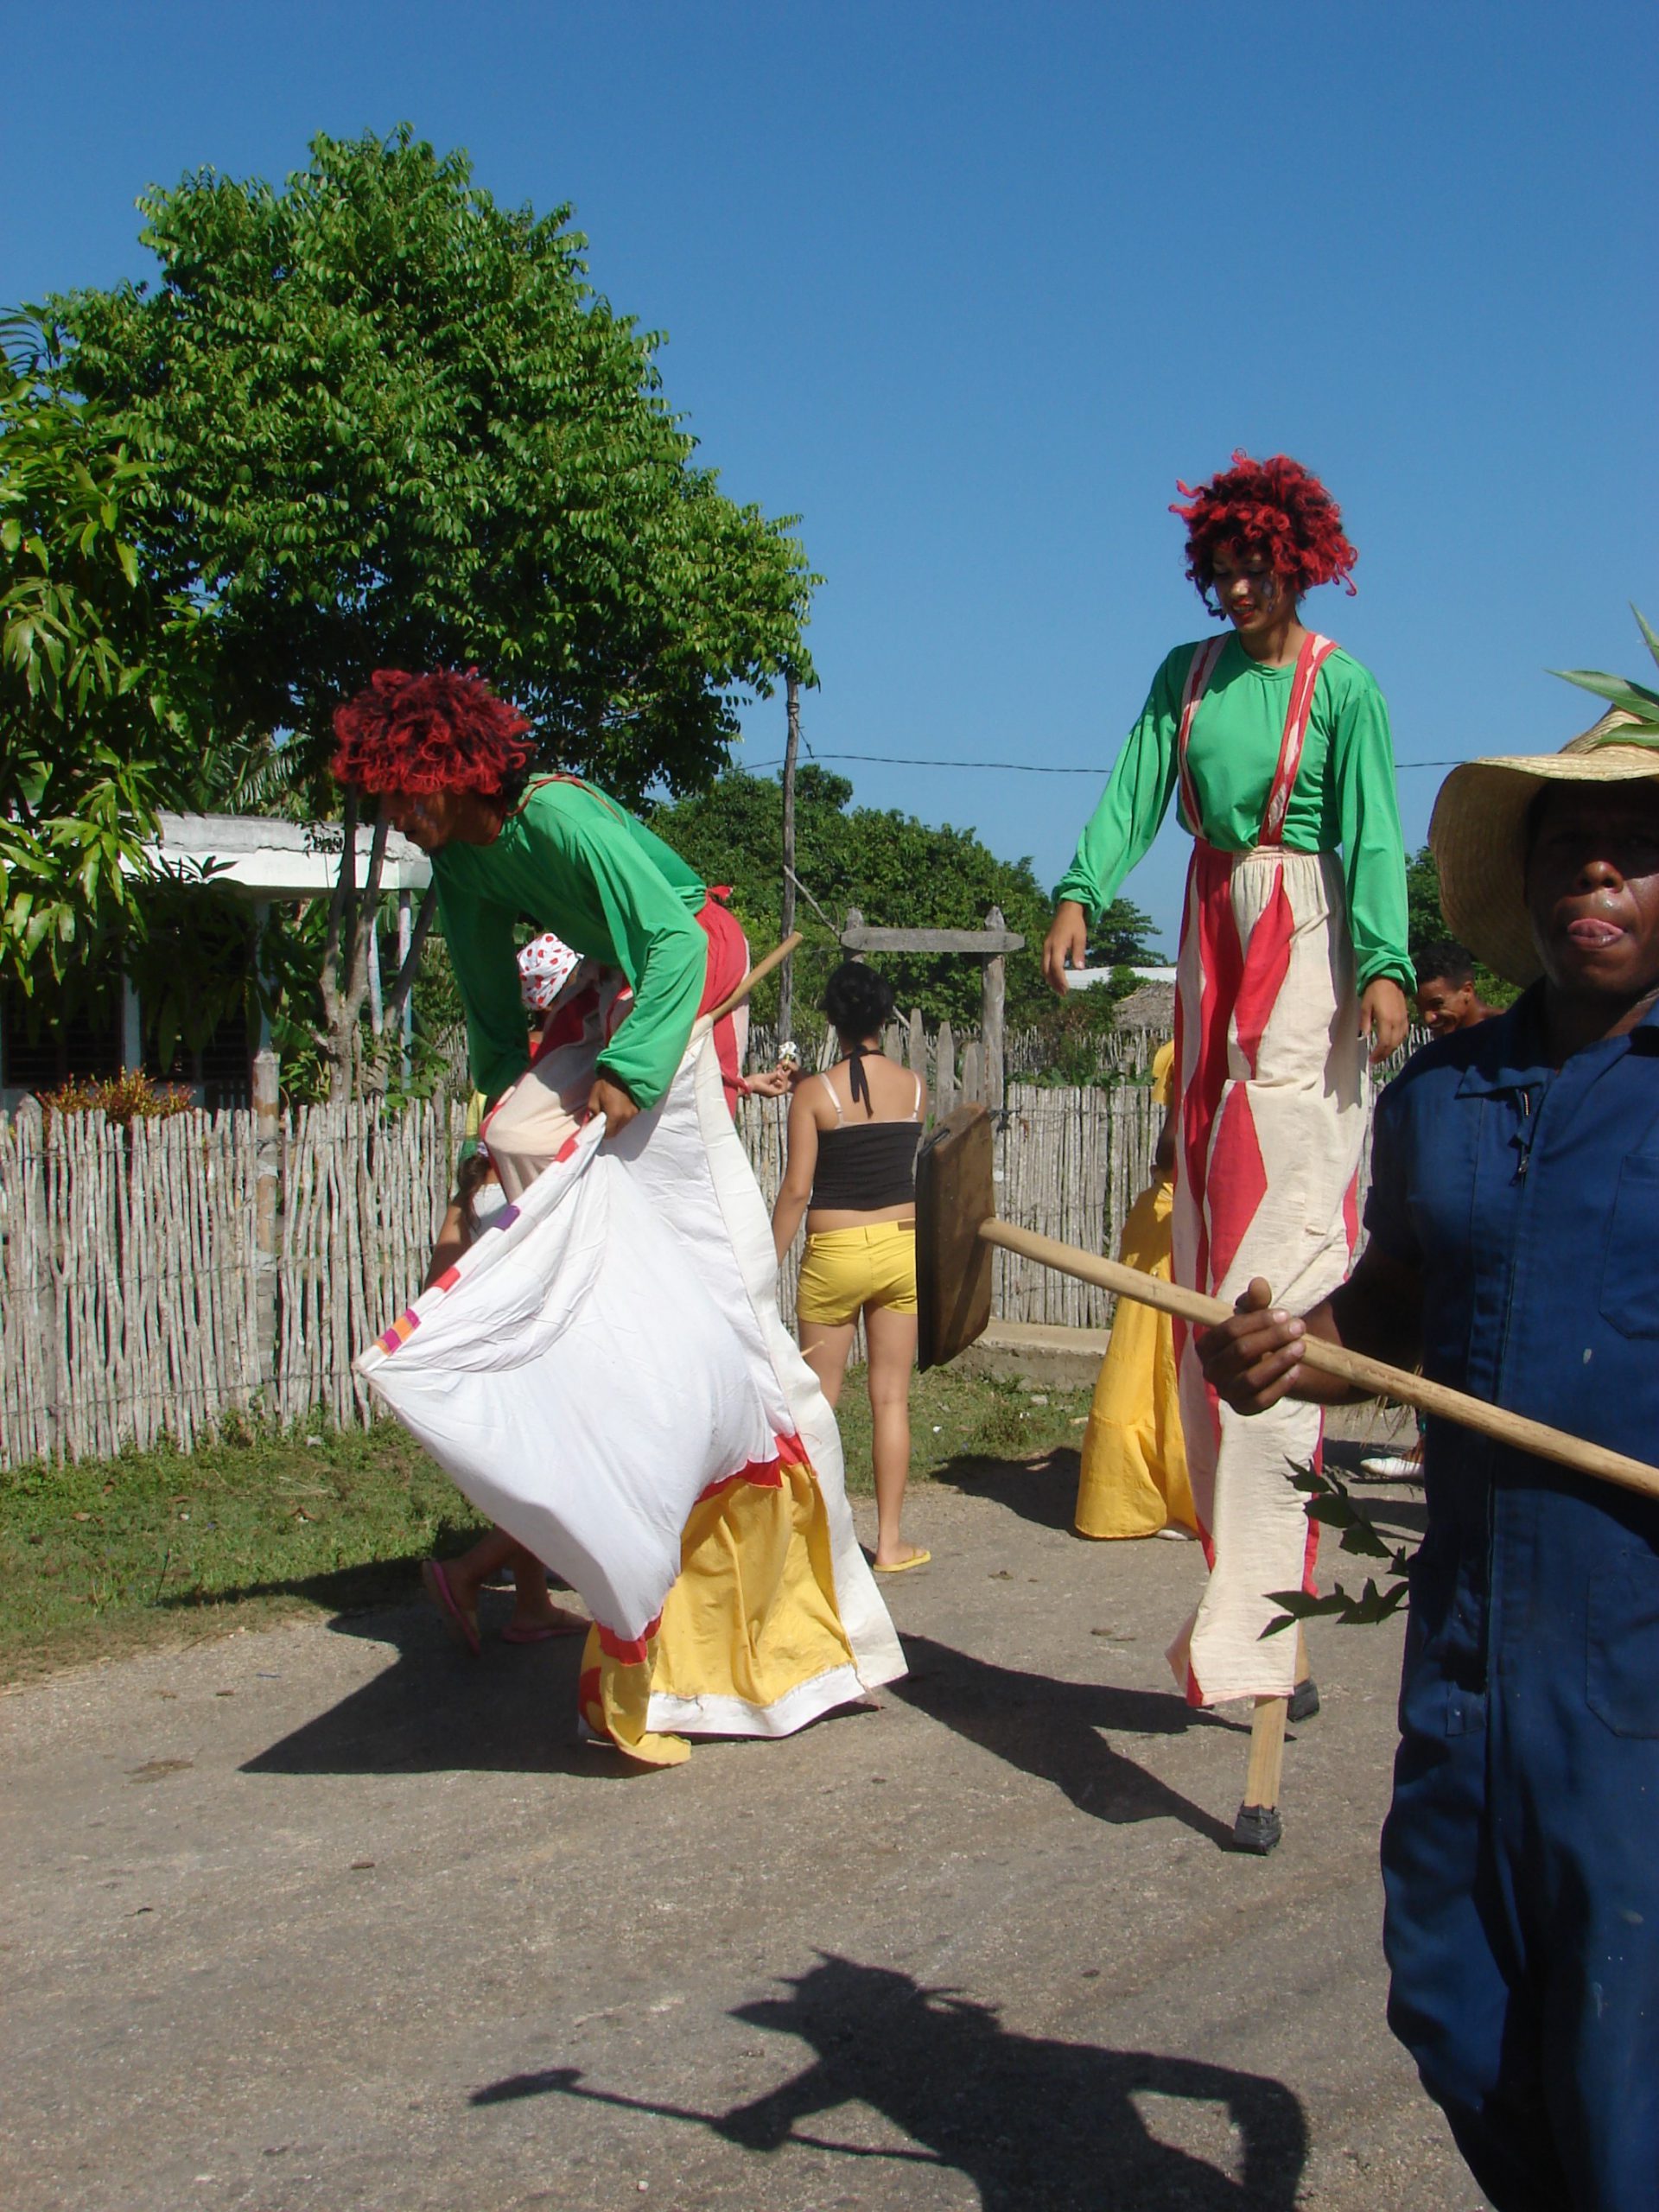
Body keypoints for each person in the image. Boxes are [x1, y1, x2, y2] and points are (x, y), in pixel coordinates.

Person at [1197, 714, 1659, 2211]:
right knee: (1454, 2001)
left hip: (1639, 1677)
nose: (1599, 870)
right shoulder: (1445, 1104)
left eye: (1642, 849)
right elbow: (1389, 1318)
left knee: (1629, 2066)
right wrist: (1290, 1345)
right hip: (1470, 1658)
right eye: (1568, 846)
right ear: (1521, 884)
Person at [335, 669, 904, 1763]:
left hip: (688, 953)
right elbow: (498, 1024)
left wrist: (632, 1071)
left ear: (454, 772)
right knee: (520, 1138)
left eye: (410, 792)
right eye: (387, 798)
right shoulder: (461, 860)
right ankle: (599, 1299)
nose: (400, 815)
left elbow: (678, 946)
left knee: (717, 1289)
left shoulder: (557, 812)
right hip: (617, 977)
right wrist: (487, 1135)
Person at [1040, 453, 1414, 1706]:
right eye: (1223, 571)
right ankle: (1248, 1586)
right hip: (1211, 933)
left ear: (1296, 563)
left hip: (1303, 935)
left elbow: (1368, 829)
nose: (1239, 586)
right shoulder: (1183, 680)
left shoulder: (1340, 686)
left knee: (1281, 1214)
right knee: (1206, 1217)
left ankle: (1260, 1607)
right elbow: (1137, 787)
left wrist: (1386, 963)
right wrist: (1085, 888)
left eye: (1259, 567)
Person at [771, 963, 928, 1573]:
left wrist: (763, 1265)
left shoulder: (814, 1094)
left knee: (819, 1402)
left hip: (835, 1253)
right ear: (884, 1018)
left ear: (832, 1017)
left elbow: (796, 1192)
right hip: (899, 1249)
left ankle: (804, 1546)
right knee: (890, 1399)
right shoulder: (916, 1087)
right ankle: (889, 1544)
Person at [1073, 1040, 1197, 1541]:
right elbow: (1172, 1149)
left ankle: (1165, 1488)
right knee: (1156, 1358)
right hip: (1169, 1220)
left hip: (1167, 1217)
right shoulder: (1186, 1055)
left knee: (1161, 1359)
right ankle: (1160, 1490)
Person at [1412, 939, 1497, 1037]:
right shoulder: (1439, 1049)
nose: (1428, 1018)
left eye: (1437, 1004)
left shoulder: (1510, 1034)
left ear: (1467, 991)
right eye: (1420, 1008)